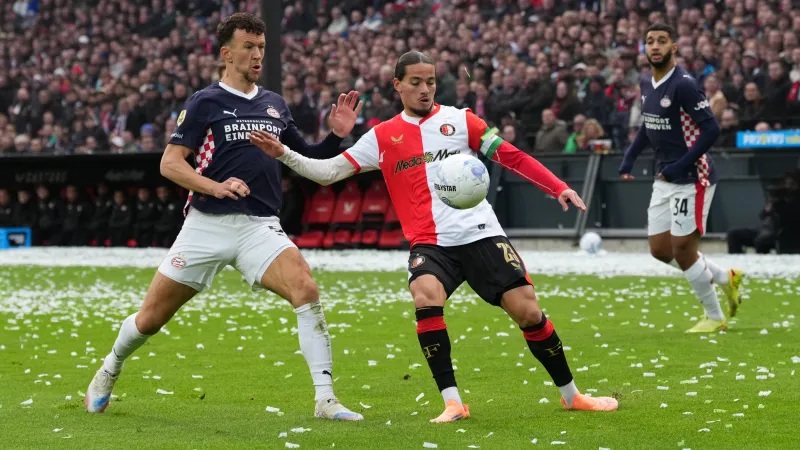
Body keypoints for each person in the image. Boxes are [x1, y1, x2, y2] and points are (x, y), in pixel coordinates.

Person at [250, 51, 619, 424]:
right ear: (398, 85)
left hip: (481, 234)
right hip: (430, 242)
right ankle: (453, 403)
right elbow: (327, 172)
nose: (425, 89)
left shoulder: (461, 121)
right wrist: (283, 153)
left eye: (430, 82)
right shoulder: (381, 137)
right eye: (416, 82)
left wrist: (557, 187)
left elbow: (511, 156)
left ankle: (572, 396)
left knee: (528, 311)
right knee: (425, 295)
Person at [85, 13, 365, 421]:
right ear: (226, 54)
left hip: (259, 226)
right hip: (207, 224)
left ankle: (325, 399)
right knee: (150, 319)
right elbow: (170, 164)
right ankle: (110, 367)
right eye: (248, 47)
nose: (257, 55)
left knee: (305, 288)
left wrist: (336, 136)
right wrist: (215, 186)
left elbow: (308, 161)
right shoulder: (205, 102)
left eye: (261, 47)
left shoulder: (275, 104)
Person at [618, 23, 743, 333]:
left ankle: (715, 317)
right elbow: (648, 125)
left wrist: (682, 163)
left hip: (693, 175)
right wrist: (630, 156)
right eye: (650, 41)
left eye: (662, 41)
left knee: (683, 249)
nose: (655, 46)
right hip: (665, 176)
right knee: (660, 250)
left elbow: (711, 129)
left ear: (673, 47)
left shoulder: (684, 84)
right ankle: (726, 277)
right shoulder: (646, 82)